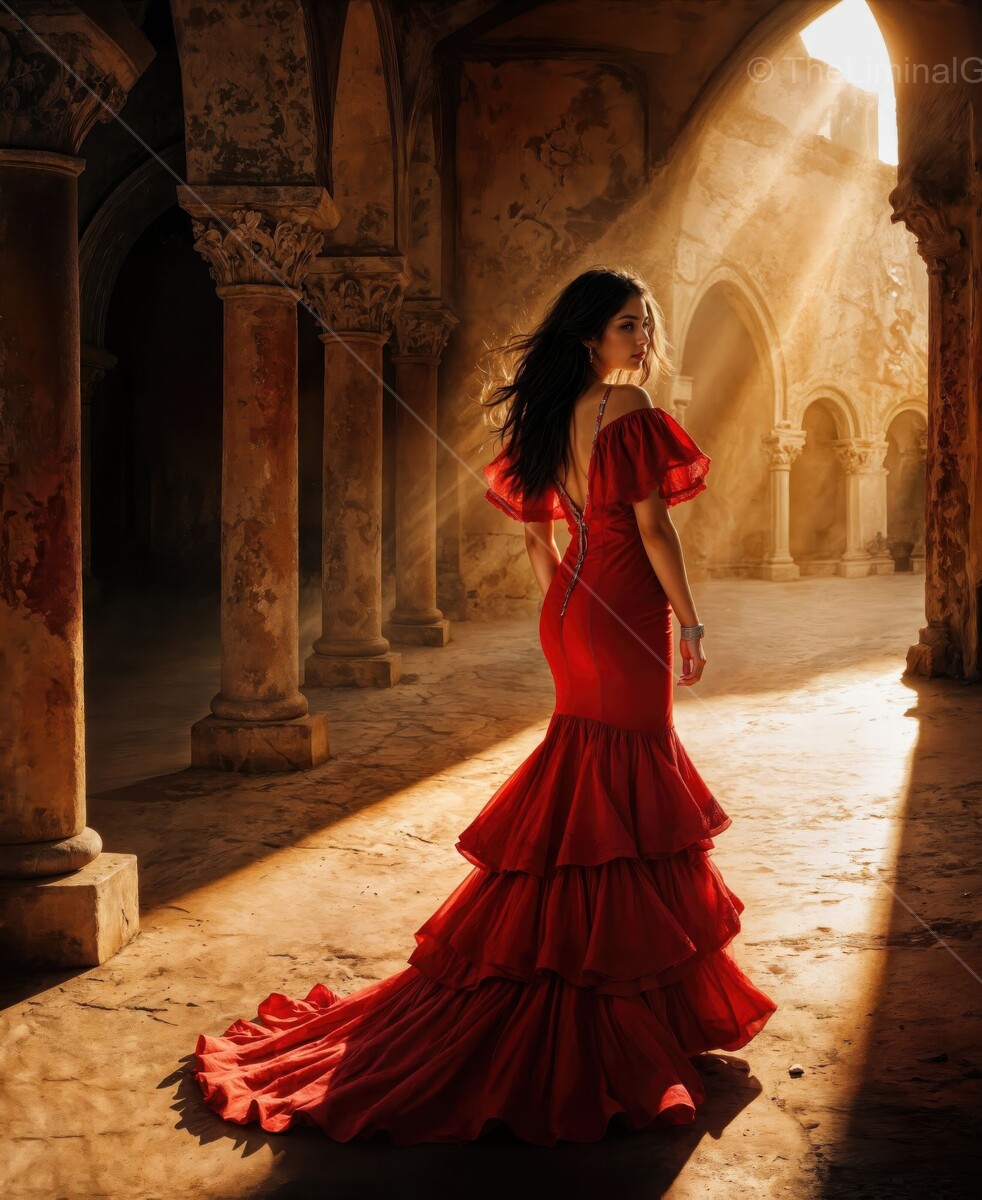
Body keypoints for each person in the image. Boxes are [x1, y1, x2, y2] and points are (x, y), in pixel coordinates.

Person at [191, 266, 777, 1146]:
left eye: (644, 325)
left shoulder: (553, 420)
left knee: (597, 780)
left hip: (577, 606)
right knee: (627, 787)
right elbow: (655, 529)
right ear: (591, 336)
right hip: (627, 614)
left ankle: (617, 982)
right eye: (627, 325)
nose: (641, 340)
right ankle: (616, 997)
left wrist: (566, 598)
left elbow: (541, 535)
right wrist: (691, 625)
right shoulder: (627, 413)